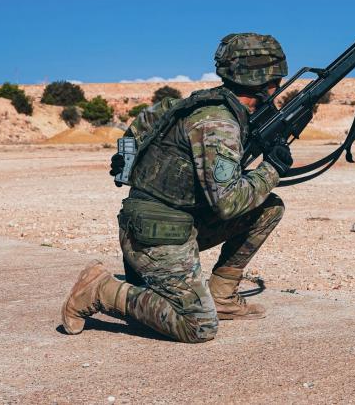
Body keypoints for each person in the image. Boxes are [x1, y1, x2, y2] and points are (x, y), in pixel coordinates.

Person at [60, 33, 295, 343]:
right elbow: (228, 203)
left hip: (160, 225)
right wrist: (271, 169)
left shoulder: (192, 103)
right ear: (271, 82)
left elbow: (137, 128)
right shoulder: (219, 122)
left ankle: (221, 295)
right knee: (197, 326)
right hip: (155, 236)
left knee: (269, 208)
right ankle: (102, 290)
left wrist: (128, 164)